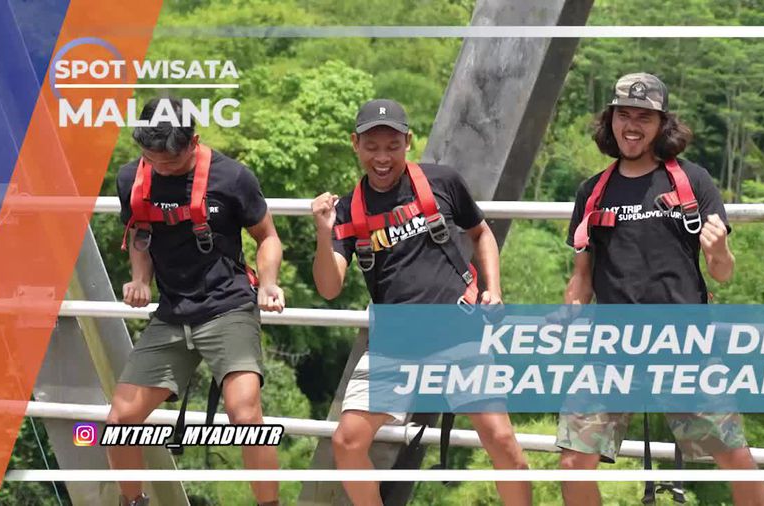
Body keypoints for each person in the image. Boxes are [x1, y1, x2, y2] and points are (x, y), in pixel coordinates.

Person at [557, 74, 764, 505]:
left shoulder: (692, 183)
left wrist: (720, 249)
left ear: (661, 124)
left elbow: (722, 273)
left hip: (683, 342)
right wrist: (573, 310)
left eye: (643, 117)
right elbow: (582, 273)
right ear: (610, 120)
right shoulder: (592, 193)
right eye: (623, 115)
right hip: (609, 345)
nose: (631, 126)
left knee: (733, 458)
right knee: (573, 462)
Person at [310, 99, 531, 506]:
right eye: (372, 146)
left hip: (458, 330)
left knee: (502, 442)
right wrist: (325, 235)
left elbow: (481, 233)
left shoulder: (442, 181)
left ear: (408, 142)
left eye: (392, 145)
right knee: (347, 441)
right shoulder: (346, 209)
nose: (382, 157)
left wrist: (492, 289)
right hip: (396, 341)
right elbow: (328, 287)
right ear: (355, 145)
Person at [106, 98, 284, 506]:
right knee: (120, 420)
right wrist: (139, 278)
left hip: (228, 306)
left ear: (194, 141)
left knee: (244, 416)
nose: (161, 168)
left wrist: (269, 284)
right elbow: (140, 232)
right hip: (171, 313)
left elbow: (268, 236)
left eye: (169, 160)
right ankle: (133, 501)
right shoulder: (132, 177)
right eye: (151, 158)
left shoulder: (232, 177)